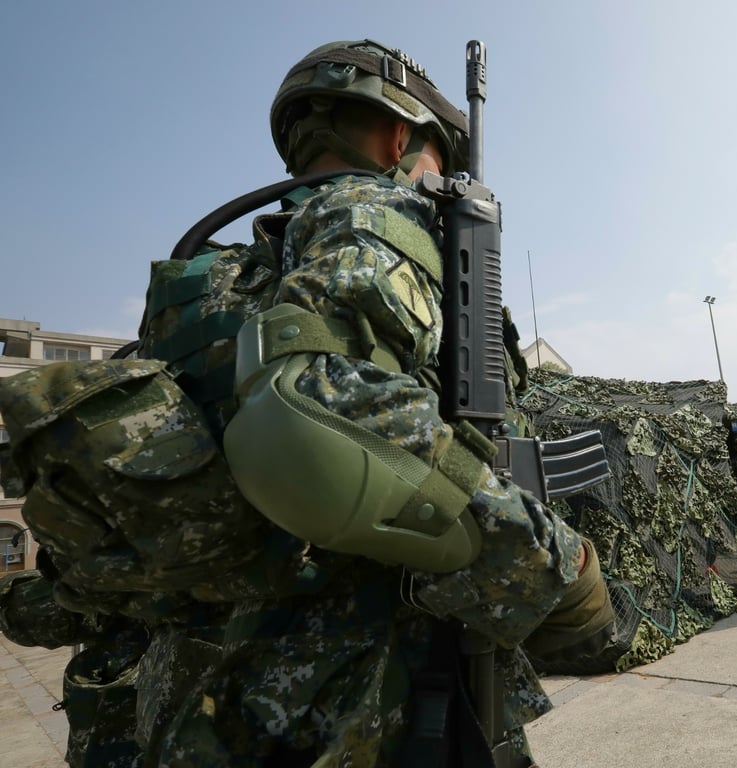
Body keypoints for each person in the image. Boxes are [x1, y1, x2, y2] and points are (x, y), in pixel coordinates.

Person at [5, 40, 616, 767]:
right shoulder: (375, 210)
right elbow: (320, 408)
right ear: (399, 137)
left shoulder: (202, 286)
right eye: (436, 162)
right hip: (360, 696)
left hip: (194, 698)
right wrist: (555, 572)